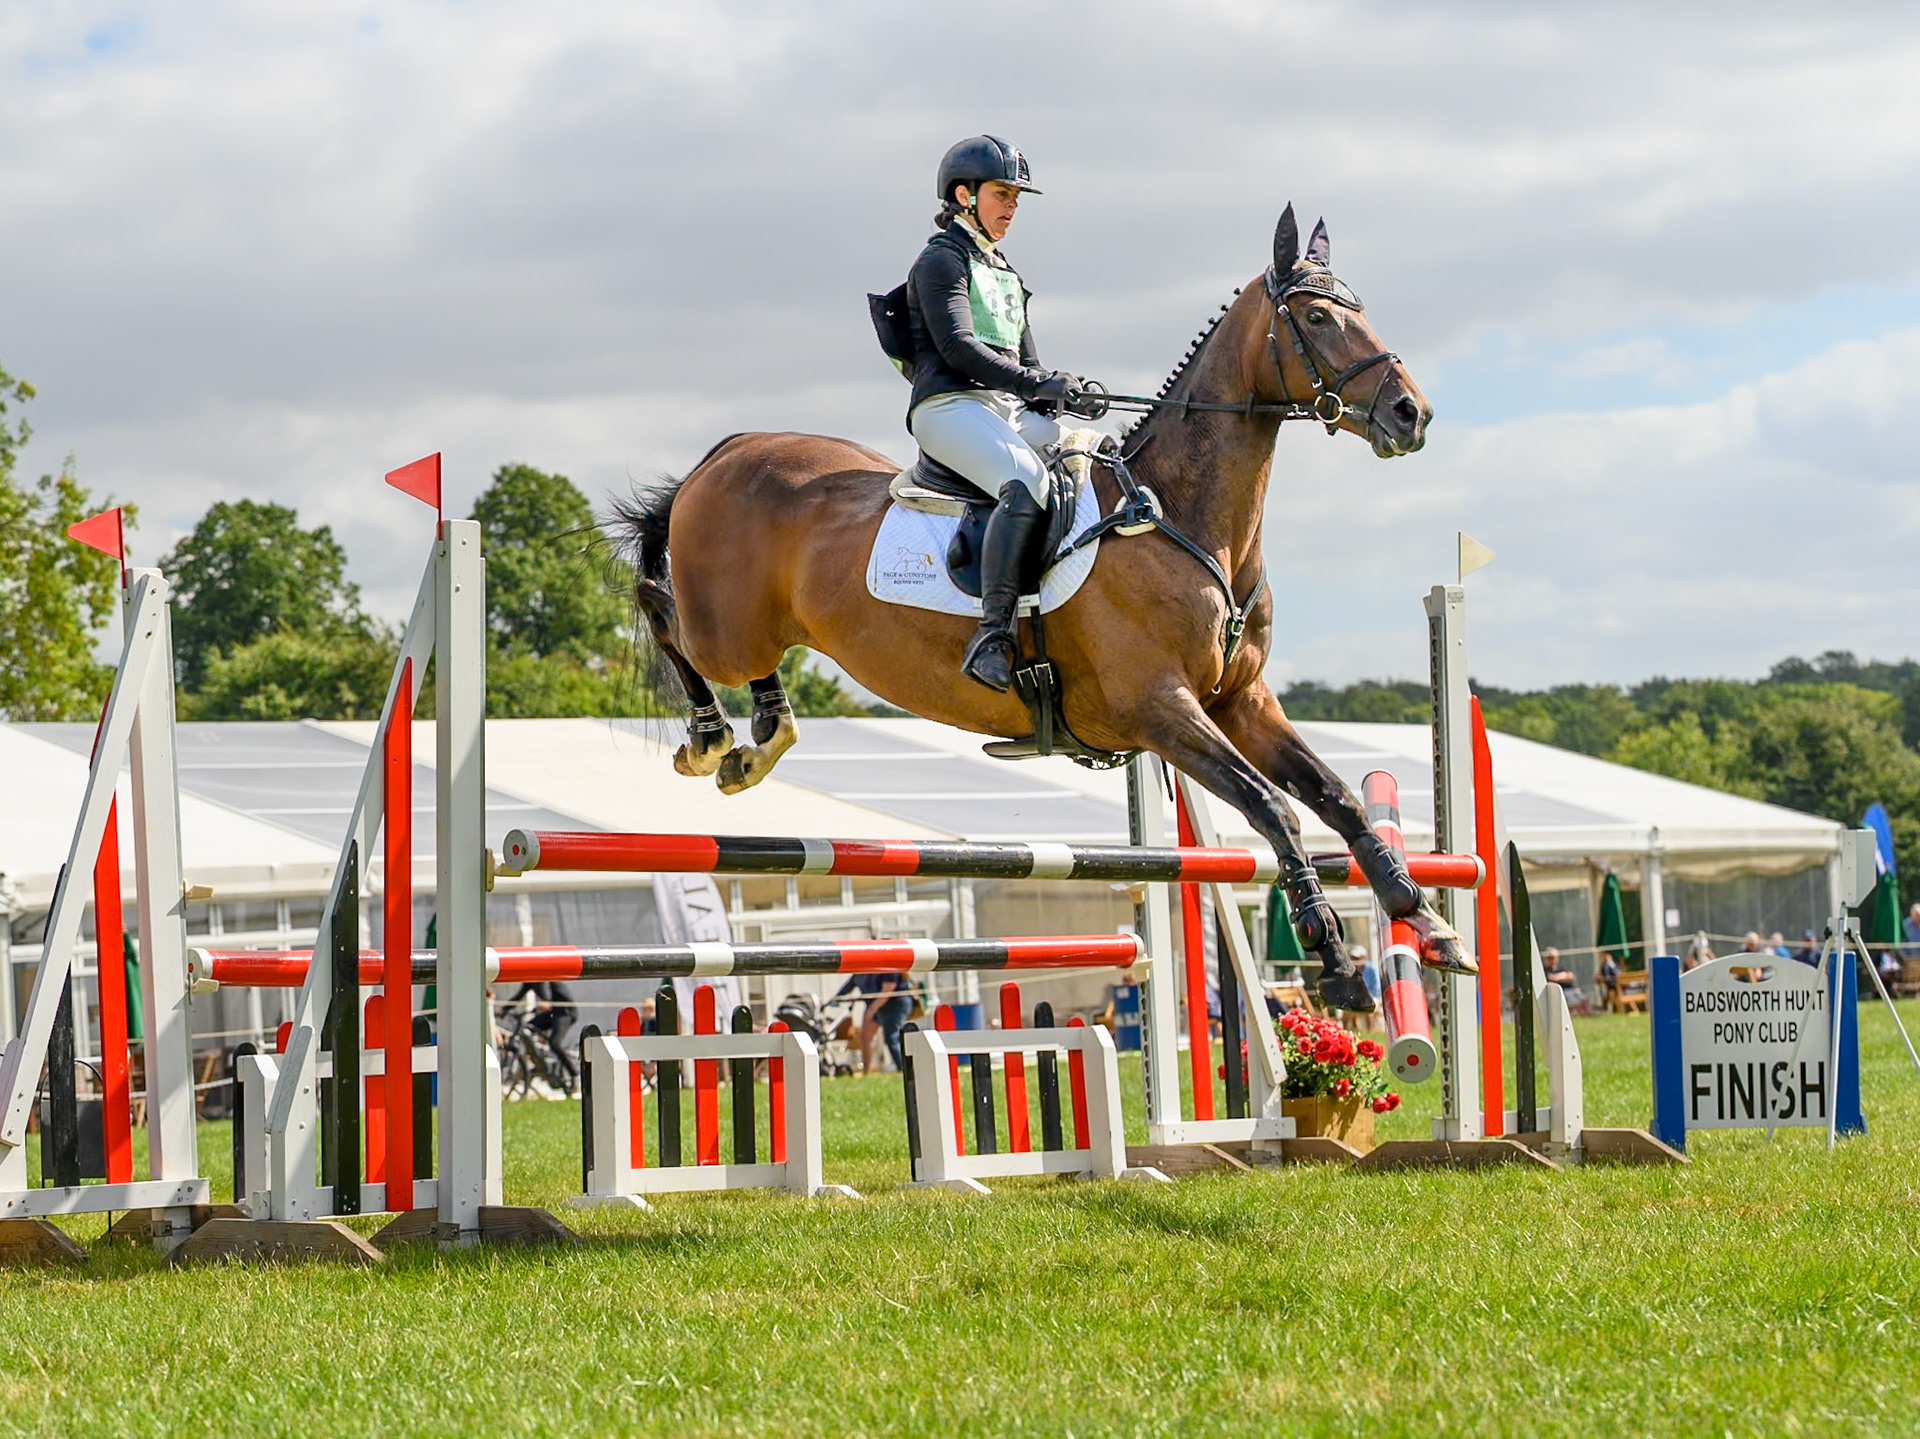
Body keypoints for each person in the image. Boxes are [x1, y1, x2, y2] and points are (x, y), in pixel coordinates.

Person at [899, 135, 1102, 692]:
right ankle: (992, 635)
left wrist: (1065, 393)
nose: (1011, 206)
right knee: (1025, 478)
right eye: (1001, 194)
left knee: (1098, 453)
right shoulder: (942, 258)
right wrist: (1035, 382)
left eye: (1016, 196)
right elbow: (960, 348)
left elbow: (1027, 365)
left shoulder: (1005, 271)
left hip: (1004, 408)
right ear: (963, 195)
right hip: (949, 406)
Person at [832, 970, 913, 1074]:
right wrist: (836, 999)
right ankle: (866, 1073)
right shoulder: (860, 970)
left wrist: (871, 1010)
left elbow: (887, 990)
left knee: (891, 1037)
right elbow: (849, 986)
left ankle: (903, 1069)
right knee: (865, 1037)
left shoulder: (888, 965)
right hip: (875, 1006)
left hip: (895, 1006)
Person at [512, 979, 579, 1089]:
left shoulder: (546, 979)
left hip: (565, 1013)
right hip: (552, 1013)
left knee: (554, 1043)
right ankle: (539, 1061)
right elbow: (518, 997)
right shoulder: (531, 981)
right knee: (527, 1028)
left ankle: (573, 1073)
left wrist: (546, 1004)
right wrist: (503, 1010)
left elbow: (548, 999)